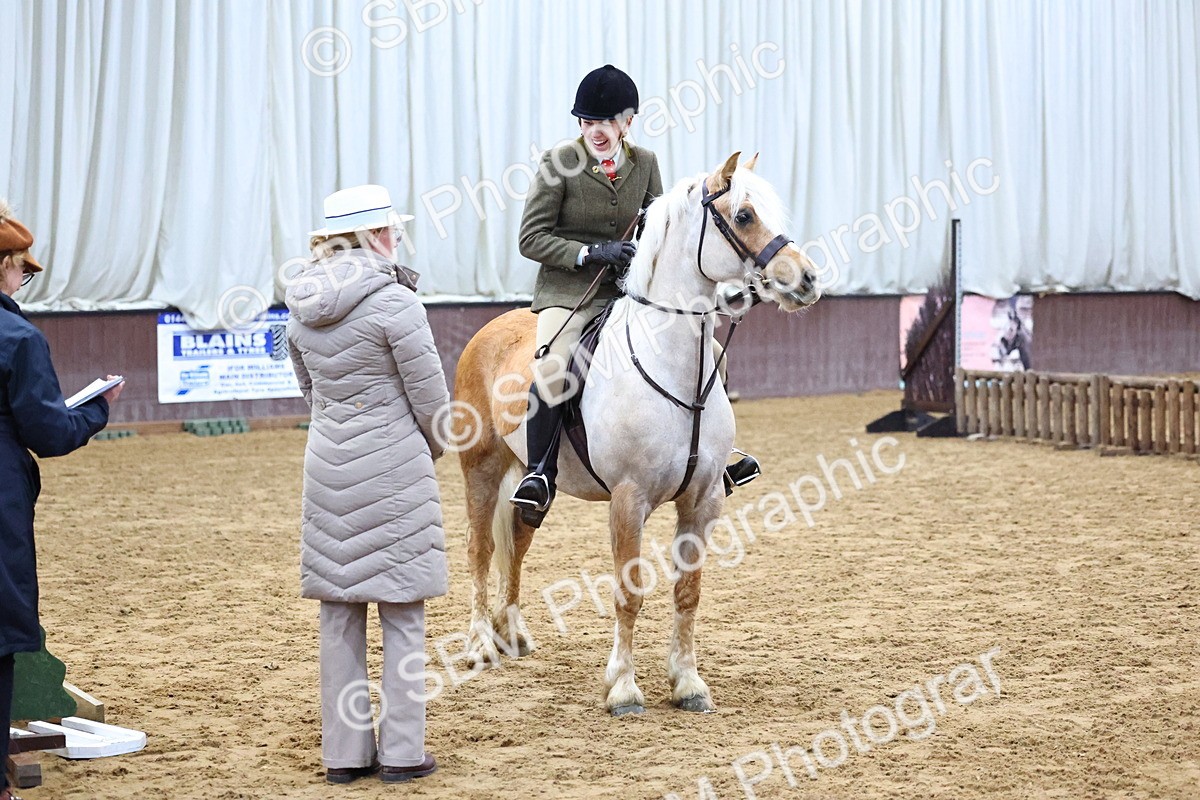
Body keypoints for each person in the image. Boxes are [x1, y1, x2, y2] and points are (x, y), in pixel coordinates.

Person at [509, 64, 760, 528]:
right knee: (554, 366)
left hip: (632, 293)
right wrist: (588, 253)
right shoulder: (558, 162)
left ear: (627, 122)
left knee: (714, 356)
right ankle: (540, 472)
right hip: (571, 292)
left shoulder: (645, 163)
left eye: (606, 121)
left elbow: (659, 228)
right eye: (587, 121)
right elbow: (531, 238)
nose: (595, 131)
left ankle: (716, 457)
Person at [285, 185, 450, 785]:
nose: (398, 238)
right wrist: (425, 448)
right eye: (394, 230)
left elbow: (311, 394)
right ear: (377, 235)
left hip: (327, 466)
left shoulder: (300, 305)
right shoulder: (397, 304)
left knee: (339, 616)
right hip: (396, 468)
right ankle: (403, 753)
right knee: (402, 612)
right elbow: (433, 404)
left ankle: (344, 755)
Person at [0, 201, 122, 800]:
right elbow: (48, 433)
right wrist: (95, 410)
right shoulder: (17, 337)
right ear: (5, 266)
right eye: (22, 270)